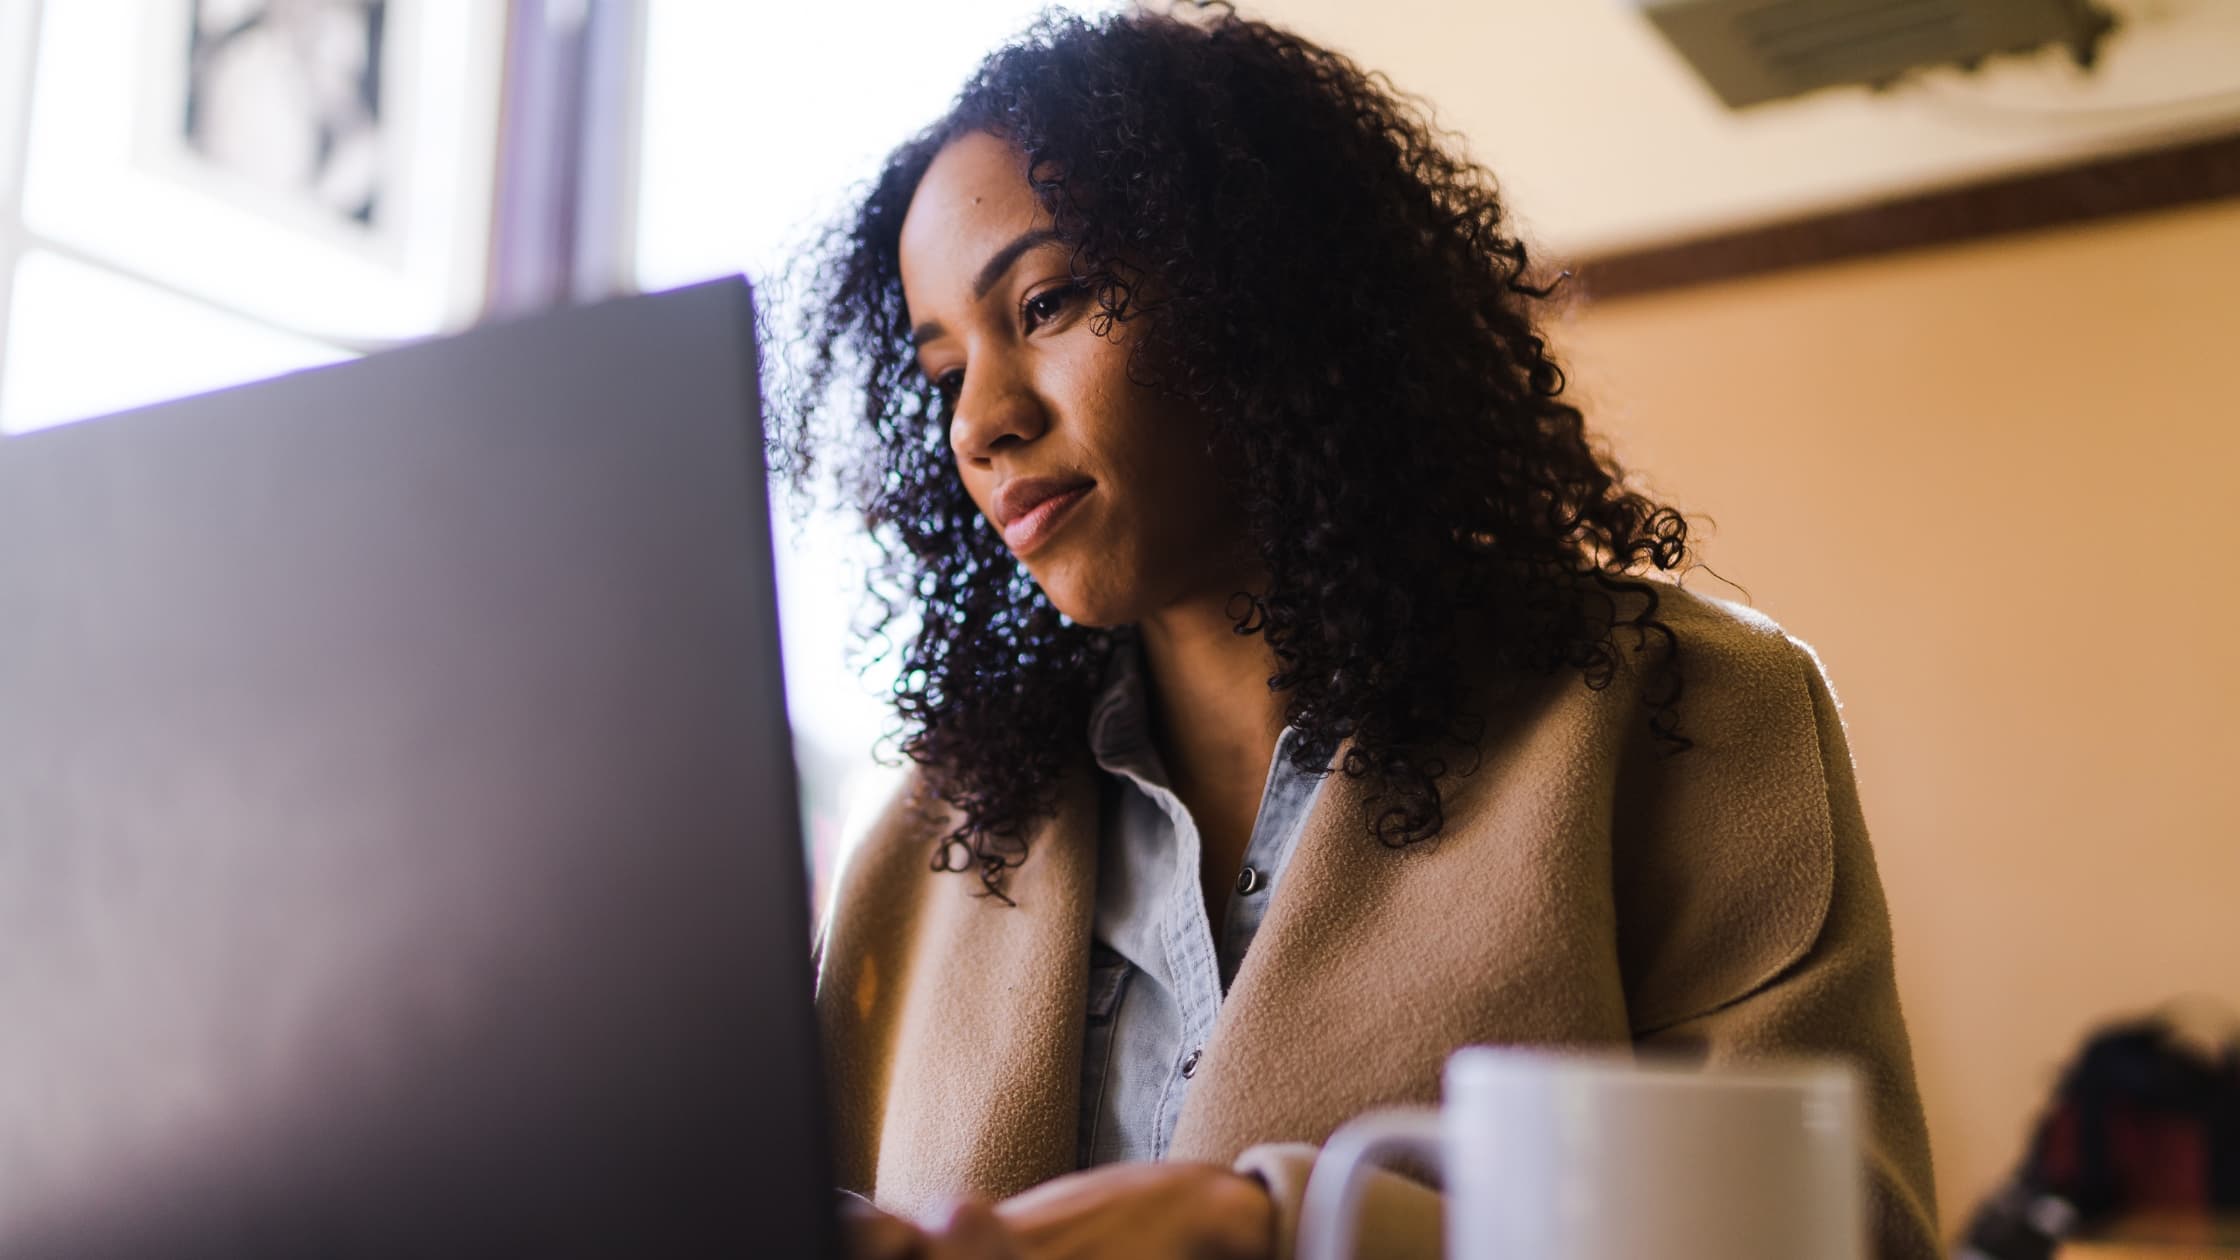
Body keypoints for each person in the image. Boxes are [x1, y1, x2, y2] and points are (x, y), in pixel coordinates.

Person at [787, 6, 1939, 1258]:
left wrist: (1292, 1228)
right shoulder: (927, 842)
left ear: (1263, 288)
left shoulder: (1683, 711)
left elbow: (1831, 1237)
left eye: (1050, 300)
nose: (982, 423)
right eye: (944, 371)